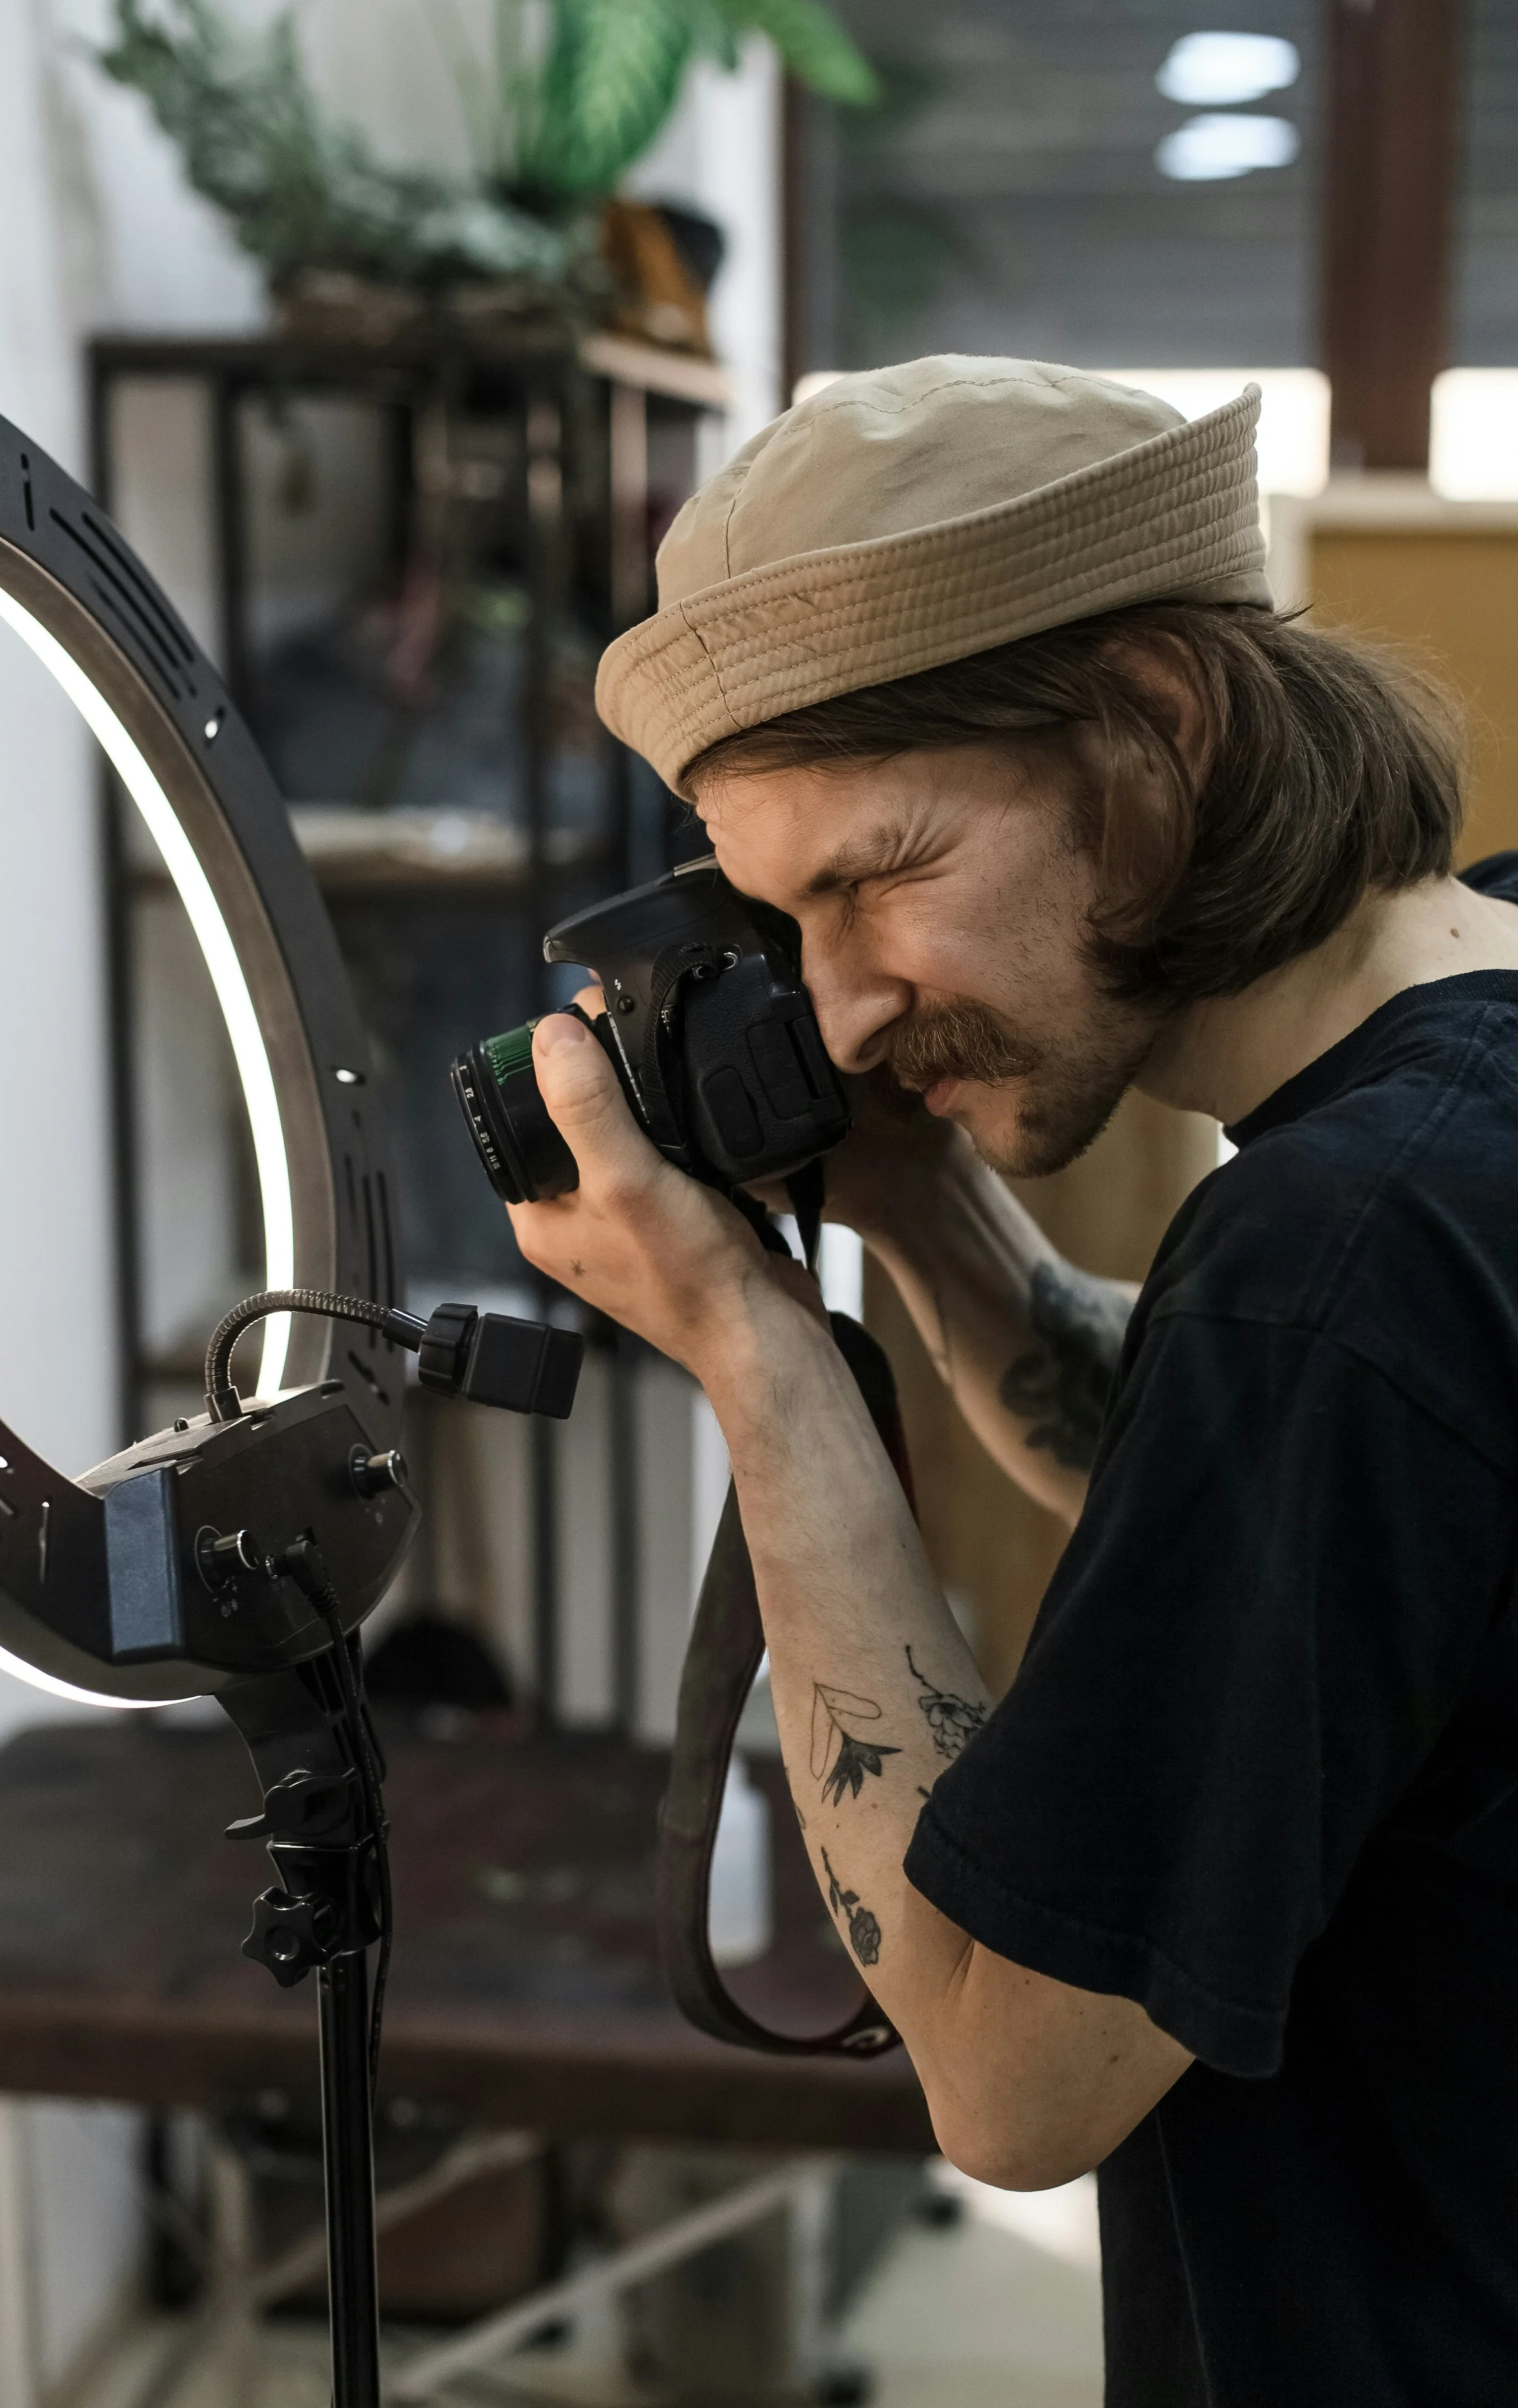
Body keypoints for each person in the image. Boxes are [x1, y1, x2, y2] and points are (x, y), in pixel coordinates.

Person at [510, 359, 1518, 2404]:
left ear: (1159, 722)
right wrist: (927, 1222)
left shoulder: (1327, 1268)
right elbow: (1288, 1564)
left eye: (877, 876)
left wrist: (760, 1359)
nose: (847, 1006)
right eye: (785, 929)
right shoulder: (1459, 1080)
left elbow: (1000, 2072)